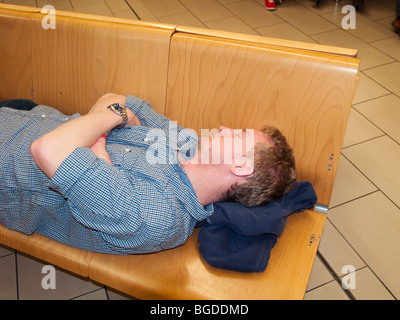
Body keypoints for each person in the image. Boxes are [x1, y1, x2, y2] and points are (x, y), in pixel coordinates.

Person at [0, 93, 296, 255]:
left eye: (237, 135)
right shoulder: (188, 142)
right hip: (29, 115)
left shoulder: (158, 215)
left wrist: (114, 119)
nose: (223, 128)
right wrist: (103, 138)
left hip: (7, 160)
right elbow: (116, 97)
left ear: (241, 167)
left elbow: (47, 149)